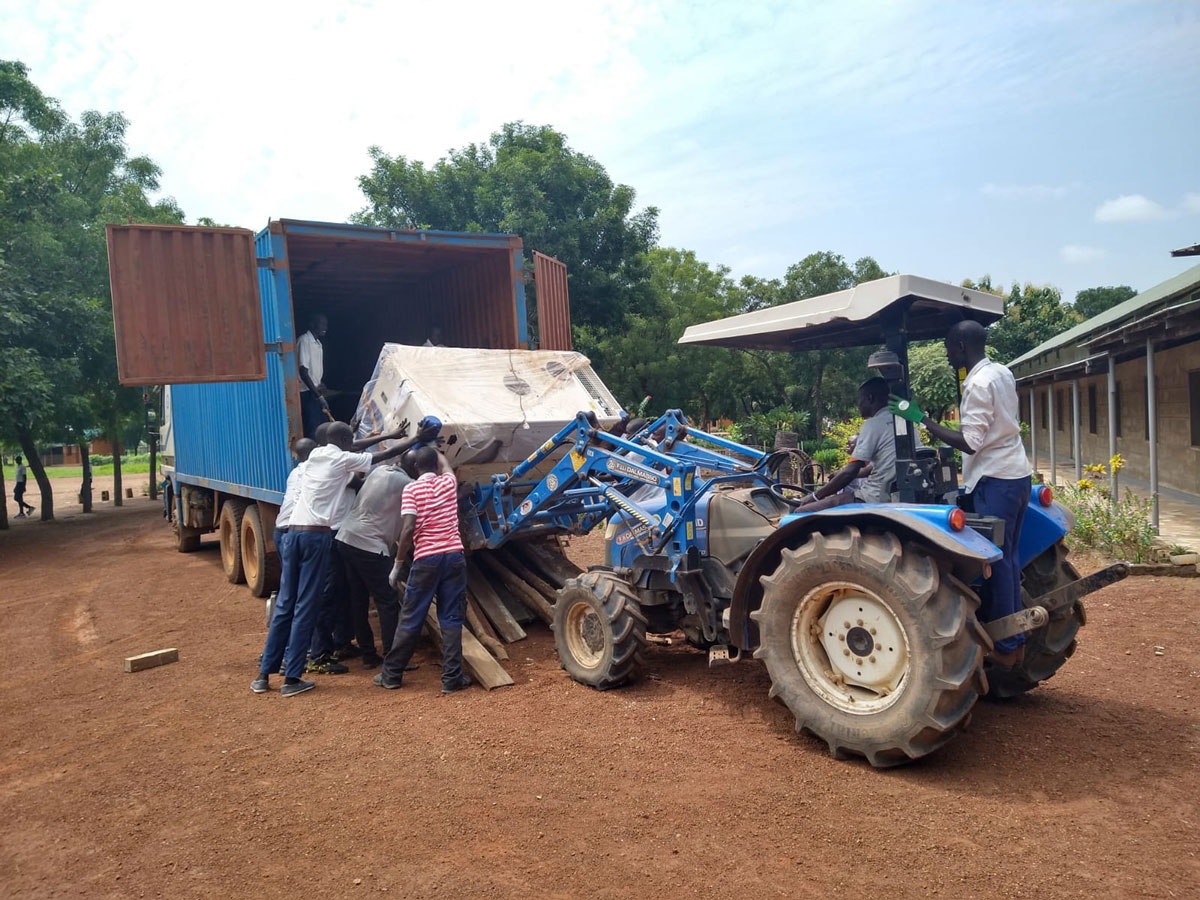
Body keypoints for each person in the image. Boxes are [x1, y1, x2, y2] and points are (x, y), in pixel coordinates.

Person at [890, 319, 1033, 667]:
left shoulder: (978, 384)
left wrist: (920, 418)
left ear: (961, 347)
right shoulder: (1001, 373)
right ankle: (1014, 636)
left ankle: (1007, 644)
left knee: (995, 560)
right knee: (1010, 558)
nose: (946, 355)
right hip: (1017, 474)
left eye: (948, 349)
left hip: (994, 478)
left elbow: (969, 442)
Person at [251, 421, 413, 697]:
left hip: (291, 533)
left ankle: (263, 676)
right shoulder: (340, 459)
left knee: (286, 604)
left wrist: (387, 434)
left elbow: (354, 446)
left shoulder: (316, 454)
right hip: (315, 537)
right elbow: (383, 455)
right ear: (344, 442)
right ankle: (292, 678)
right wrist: (415, 437)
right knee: (306, 605)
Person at [306, 420, 423, 674]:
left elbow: (364, 463)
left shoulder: (379, 472)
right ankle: (393, 658)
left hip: (345, 538)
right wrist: (416, 439)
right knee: (387, 601)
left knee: (358, 598)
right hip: (369, 546)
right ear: (415, 468)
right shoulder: (408, 485)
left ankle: (369, 655)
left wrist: (391, 436)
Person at [374, 445, 471, 694]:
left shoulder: (411, 489)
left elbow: (408, 529)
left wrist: (398, 564)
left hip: (426, 559)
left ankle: (391, 675)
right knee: (451, 618)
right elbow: (447, 467)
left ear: (416, 467)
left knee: (411, 617)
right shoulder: (448, 483)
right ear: (436, 465)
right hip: (454, 557)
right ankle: (451, 679)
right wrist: (438, 451)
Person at [797, 378, 897, 511]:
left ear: (870, 398)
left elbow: (850, 472)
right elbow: (870, 469)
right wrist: (840, 473)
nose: (858, 405)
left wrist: (815, 496)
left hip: (874, 496)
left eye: (860, 400)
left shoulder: (873, 424)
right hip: (893, 494)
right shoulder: (903, 422)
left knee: (802, 511)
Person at [297, 313, 330, 439]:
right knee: (313, 429)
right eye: (321, 324)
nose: (325, 327)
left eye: (326, 324)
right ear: (312, 324)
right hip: (307, 392)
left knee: (322, 427)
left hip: (315, 392)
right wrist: (319, 396)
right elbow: (303, 372)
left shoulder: (318, 343)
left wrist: (319, 383)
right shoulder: (304, 341)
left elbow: (313, 371)